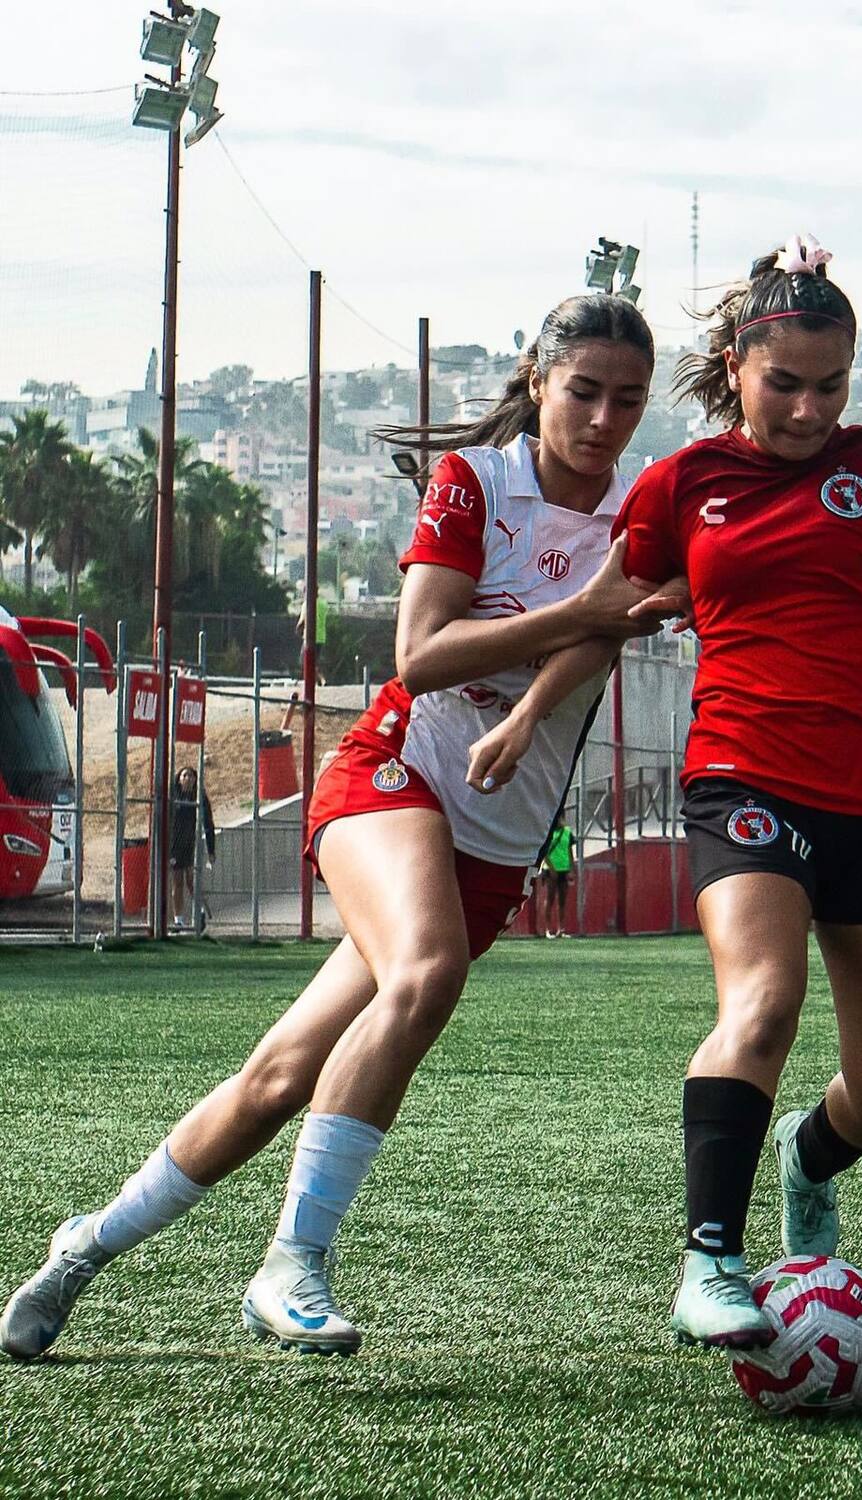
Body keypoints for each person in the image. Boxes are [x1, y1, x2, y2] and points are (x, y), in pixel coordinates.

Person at [0, 291, 687, 1362]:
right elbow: (421, 652)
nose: (603, 418)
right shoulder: (476, 482)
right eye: (584, 391)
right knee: (425, 974)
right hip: (392, 768)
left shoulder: (641, 515)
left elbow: (598, 644)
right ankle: (292, 1264)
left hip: (496, 834)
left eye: (628, 400)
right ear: (538, 380)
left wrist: (527, 712)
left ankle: (84, 1244)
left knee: (280, 1075)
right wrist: (573, 622)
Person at [472, 232, 862, 1351]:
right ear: (735, 363)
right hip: (743, 775)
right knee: (763, 1003)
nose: (809, 409)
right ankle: (711, 1263)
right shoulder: (682, 486)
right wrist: (534, 712)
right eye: (784, 384)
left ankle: (806, 1158)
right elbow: (609, 615)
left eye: (832, 386)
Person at [168, 766, 215, 930]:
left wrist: (211, 849)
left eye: (191, 776)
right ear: (179, 779)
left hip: (189, 843)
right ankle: (178, 920)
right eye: (184, 775)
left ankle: (200, 913)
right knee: (177, 882)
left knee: (191, 881)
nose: (188, 779)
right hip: (174, 845)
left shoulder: (198, 796)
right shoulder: (173, 795)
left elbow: (208, 821)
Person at [540, 812, 575, 937]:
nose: (561, 820)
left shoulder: (567, 832)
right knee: (550, 898)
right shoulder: (548, 832)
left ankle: (562, 929)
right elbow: (544, 853)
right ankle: (548, 930)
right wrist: (551, 868)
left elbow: (570, 851)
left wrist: (572, 869)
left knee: (562, 900)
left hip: (564, 869)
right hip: (550, 870)